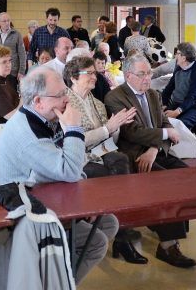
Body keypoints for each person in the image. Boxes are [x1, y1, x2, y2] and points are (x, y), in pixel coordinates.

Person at [0, 66, 119, 284]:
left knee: (109, 223)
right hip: (26, 210)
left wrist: (82, 201)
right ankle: (56, 283)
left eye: (65, 92)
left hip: (49, 194)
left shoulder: (44, 117)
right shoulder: (28, 133)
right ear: (38, 101)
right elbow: (70, 170)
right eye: (59, 95)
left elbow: (71, 165)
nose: (67, 99)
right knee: (96, 242)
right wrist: (74, 128)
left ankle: (55, 275)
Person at [104, 54, 196, 268]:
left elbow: (165, 124)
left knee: (187, 176)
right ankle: (168, 246)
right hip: (133, 155)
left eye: (149, 73)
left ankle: (168, 223)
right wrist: (163, 135)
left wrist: (155, 148)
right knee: (164, 183)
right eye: (142, 74)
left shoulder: (154, 94)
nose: (147, 78)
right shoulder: (115, 97)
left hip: (156, 151)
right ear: (128, 75)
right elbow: (132, 132)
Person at [63, 57, 143, 263]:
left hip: (100, 153)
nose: (94, 77)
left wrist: (116, 127)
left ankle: (117, 232)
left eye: (94, 73)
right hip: (78, 158)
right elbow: (74, 140)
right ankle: (119, 235)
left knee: (121, 159)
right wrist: (108, 128)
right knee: (112, 176)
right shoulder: (65, 103)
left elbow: (109, 140)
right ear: (73, 77)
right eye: (89, 73)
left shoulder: (97, 103)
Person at [161, 42, 196, 130]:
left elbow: (192, 96)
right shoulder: (179, 66)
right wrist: (163, 104)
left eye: (177, 53)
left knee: (179, 126)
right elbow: (169, 88)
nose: (175, 56)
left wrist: (177, 112)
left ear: (184, 58)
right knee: (159, 120)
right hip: (179, 104)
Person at [0, 12, 27, 84]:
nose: (7, 23)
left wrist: (21, 71)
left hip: (12, 71)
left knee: (11, 90)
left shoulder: (17, 34)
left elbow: (22, 53)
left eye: (8, 20)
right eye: (4, 21)